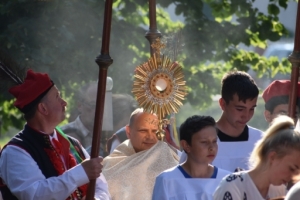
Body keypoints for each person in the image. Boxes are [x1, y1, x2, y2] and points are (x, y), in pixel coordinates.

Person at [0, 69, 110, 199]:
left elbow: (101, 186)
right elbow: (35, 195)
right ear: (43, 108)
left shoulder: (73, 144)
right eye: (58, 97)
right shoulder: (16, 151)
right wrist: (80, 173)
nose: (64, 102)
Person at [180, 71, 262, 172]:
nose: (246, 115)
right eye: (240, 109)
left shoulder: (261, 141)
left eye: (252, 109)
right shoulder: (198, 141)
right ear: (223, 104)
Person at [213, 115, 300, 199]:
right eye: (292, 169)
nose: (294, 177)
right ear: (273, 157)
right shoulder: (233, 186)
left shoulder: (280, 190)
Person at [102, 108, 179, 200]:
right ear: (128, 131)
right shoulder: (110, 164)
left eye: (154, 131)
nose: (150, 137)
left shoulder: (169, 157)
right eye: (143, 131)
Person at [152, 115, 230, 200]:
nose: (212, 147)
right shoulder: (167, 180)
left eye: (214, 141)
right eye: (204, 142)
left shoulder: (227, 179)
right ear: (186, 145)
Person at [60, 81, 137, 156]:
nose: (100, 110)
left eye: (104, 106)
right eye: (93, 105)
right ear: (80, 105)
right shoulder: (62, 135)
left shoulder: (108, 136)